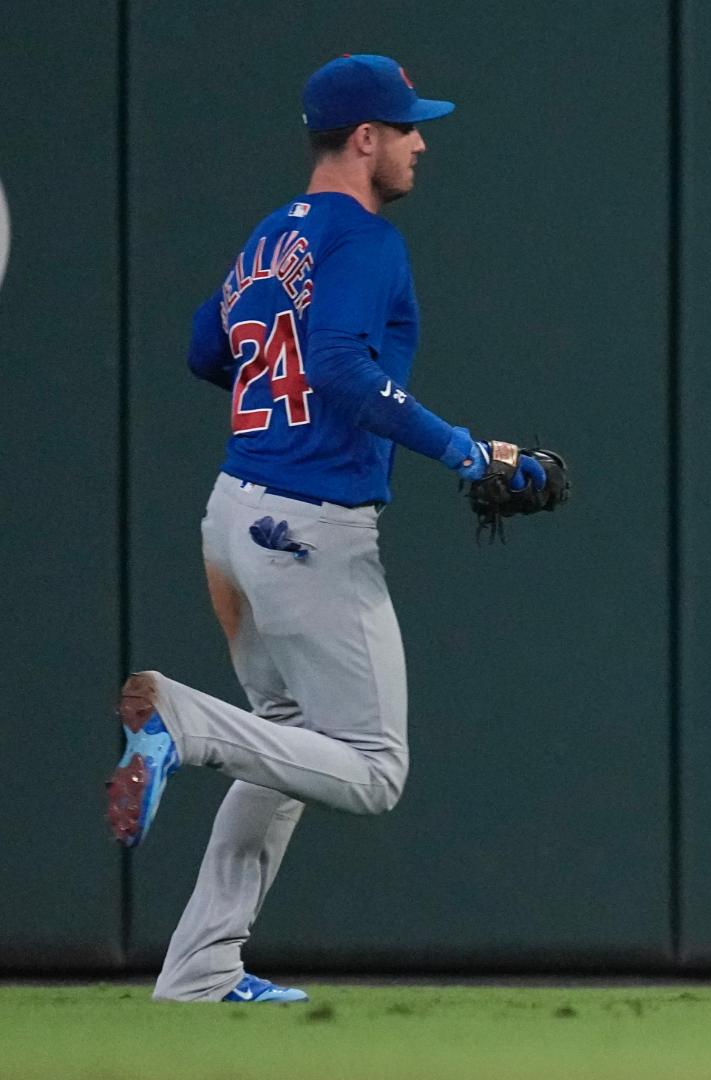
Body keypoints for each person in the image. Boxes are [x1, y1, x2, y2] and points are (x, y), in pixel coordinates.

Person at [104, 54, 548, 1004]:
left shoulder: (272, 237)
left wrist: (290, 406)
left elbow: (204, 351)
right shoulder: (366, 240)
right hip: (307, 526)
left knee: (290, 736)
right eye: (408, 128)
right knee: (374, 769)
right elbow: (344, 368)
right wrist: (465, 452)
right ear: (364, 140)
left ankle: (199, 970)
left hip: (233, 514)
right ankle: (181, 723)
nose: (421, 144)